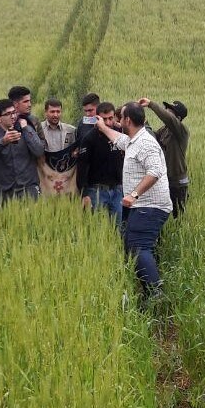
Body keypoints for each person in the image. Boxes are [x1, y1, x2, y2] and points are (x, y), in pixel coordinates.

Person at [96, 102, 172, 297]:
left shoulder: (145, 143)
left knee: (139, 246)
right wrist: (103, 128)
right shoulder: (133, 140)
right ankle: (148, 291)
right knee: (133, 245)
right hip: (142, 205)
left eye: (120, 117)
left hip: (150, 206)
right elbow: (119, 139)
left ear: (127, 120)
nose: (117, 121)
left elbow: (155, 171)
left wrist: (134, 194)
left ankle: (155, 293)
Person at [0, 98, 44, 201]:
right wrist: (3, 141)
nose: (13, 116)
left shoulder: (25, 129)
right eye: (8, 114)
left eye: (14, 112)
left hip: (29, 187)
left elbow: (39, 151)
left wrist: (26, 129)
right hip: (6, 191)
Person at [139, 98, 190, 217]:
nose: (166, 111)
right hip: (164, 179)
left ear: (178, 118)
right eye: (166, 108)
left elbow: (168, 118)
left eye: (170, 110)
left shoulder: (182, 131)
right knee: (163, 214)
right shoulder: (164, 130)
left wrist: (151, 104)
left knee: (178, 216)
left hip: (177, 183)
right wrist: (144, 123)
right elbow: (153, 138)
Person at [78, 102, 124, 226]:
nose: (108, 122)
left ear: (115, 117)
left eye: (110, 118)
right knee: (97, 228)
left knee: (118, 227)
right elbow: (82, 167)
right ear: (97, 118)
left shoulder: (119, 136)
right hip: (97, 191)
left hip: (117, 190)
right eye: (104, 119)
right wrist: (84, 194)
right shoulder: (89, 138)